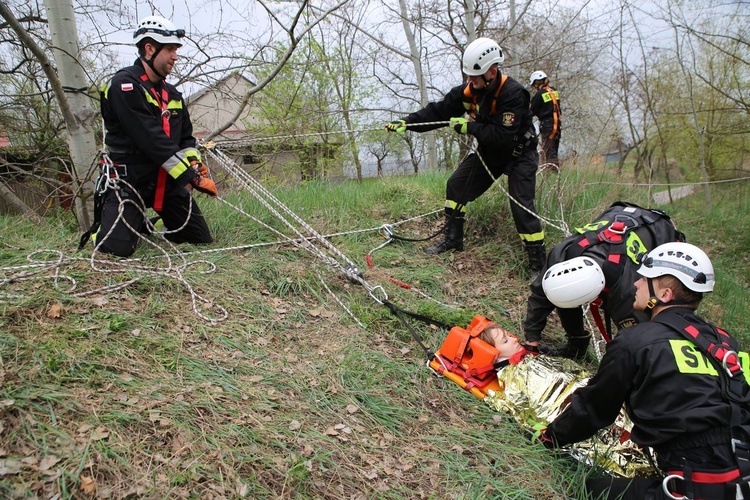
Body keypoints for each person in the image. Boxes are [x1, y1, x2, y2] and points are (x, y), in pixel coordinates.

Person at [537, 242, 750, 499]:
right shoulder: (726, 344)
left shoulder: (636, 342)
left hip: (698, 485)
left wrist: (551, 437)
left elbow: (594, 408)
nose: (636, 283)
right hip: (741, 470)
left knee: (585, 488)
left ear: (665, 294)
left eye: (645, 278)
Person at [385, 37, 545, 273]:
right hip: (490, 154)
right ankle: (453, 240)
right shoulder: (469, 91)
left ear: (492, 71)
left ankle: (538, 262)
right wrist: (408, 123)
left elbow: (504, 135)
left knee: (522, 207)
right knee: (456, 186)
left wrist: (468, 127)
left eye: (474, 76)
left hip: (520, 154)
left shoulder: (514, 93)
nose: (470, 80)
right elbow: (438, 111)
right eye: (468, 75)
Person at [91, 15, 218, 257]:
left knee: (198, 237)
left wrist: (194, 161)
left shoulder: (172, 94)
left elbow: (186, 139)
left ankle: (146, 225)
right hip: (130, 181)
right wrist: (193, 178)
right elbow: (151, 140)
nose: (175, 56)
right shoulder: (124, 86)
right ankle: (111, 229)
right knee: (115, 250)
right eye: (170, 49)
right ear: (149, 48)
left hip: (165, 181)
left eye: (176, 49)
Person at [522, 201, 685, 360]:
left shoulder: (629, 290)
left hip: (659, 229)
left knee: (661, 303)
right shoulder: (561, 257)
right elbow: (539, 298)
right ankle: (577, 347)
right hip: (619, 213)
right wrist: (531, 344)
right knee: (567, 295)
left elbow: (637, 336)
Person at [528, 71, 561, 169]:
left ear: (536, 83)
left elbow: (530, 111)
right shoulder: (554, 91)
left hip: (547, 125)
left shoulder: (539, 94)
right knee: (554, 149)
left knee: (549, 152)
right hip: (557, 125)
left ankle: (553, 173)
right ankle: (552, 171)